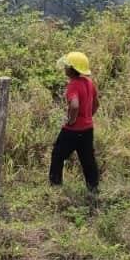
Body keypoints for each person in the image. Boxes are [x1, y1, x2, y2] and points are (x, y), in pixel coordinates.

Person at [49, 52, 99, 194]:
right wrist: (87, 117)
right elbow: (96, 104)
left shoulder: (73, 85)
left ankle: (55, 188)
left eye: (67, 66)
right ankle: (93, 188)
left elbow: (75, 105)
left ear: (72, 69)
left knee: (57, 155)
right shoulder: (90, 83)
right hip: (88, 129)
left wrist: (71, 121)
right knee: (88, 160)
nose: (65, 68)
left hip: (73, 130)